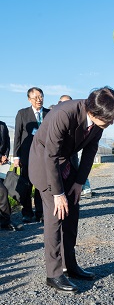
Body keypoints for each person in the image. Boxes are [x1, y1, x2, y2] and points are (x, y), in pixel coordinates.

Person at [28, 86, 114, 292]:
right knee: (56, 216)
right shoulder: (64, 114)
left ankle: (71, 266)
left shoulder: (99, 124)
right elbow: (51, 156)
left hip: (68, 163)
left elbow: (90, 153)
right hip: (45, 163)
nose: (111, 123)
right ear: (93, 112)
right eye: (109, 119)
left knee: (72, 214)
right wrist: (58, 193)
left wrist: (79, 182)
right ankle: (54, 273)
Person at [13, 87, 50, 223]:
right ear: (29, 99)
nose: (38, 100)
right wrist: (16, 156)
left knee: (42, 185)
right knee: (26, 185)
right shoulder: (22, 113)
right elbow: (17, 135)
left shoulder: (49, 113)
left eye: (41, 97)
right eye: (35, 97)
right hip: (27, 156)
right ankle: (27, 212)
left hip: (44, 156)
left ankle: (40, 212)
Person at [0, 121, 24, 231]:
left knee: (2, 192)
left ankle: (5, 220)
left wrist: (4, 155)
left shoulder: (2, 125)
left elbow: (7, 143)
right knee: (2, 191)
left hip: (2, 166)